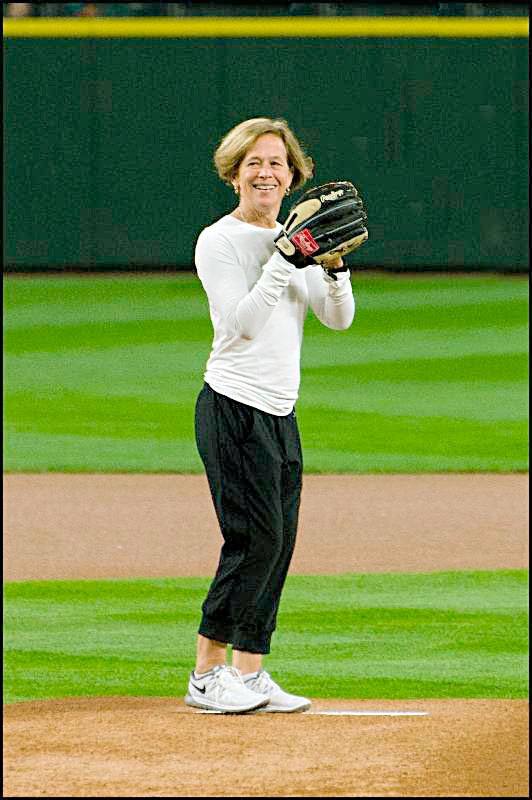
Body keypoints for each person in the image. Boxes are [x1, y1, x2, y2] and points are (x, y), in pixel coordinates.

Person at [186, 117, 356, 714]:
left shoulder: (296, 236)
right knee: (252, 539)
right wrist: (284, 258)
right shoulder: (220, 241)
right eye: (254, 162)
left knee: (278, 543)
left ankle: (251, 672)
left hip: (280, 412)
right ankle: (207, 674)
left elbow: (338, 318)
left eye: (277, 164)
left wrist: (332, 267)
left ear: (292, 177)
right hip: (233, 407)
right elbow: (244, 322)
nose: (266, 172)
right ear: (234, 173)